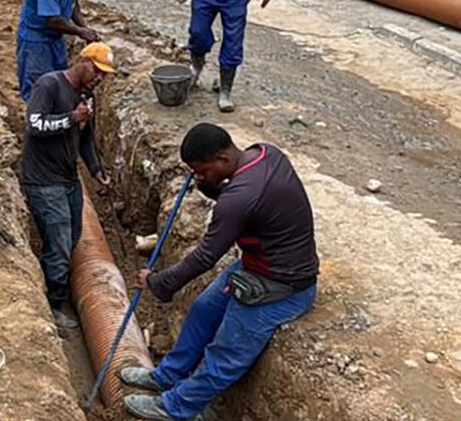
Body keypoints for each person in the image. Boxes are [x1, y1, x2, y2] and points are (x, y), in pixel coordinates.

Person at [118, 124, 318, 421]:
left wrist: (159, 283)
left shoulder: (238, 198)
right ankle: (168, 376)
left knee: (225, 353)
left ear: (223, 160)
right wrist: (207, 183)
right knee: (202, 310)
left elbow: (205, 256)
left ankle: (177, 407)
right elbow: (243, 199)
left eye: (201, 170)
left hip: (281, 286)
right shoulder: (264, 154)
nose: (197, 176)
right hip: (258, 264)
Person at [22, 43, 116, 331]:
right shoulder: (49, 85)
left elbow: (85, 137)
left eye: (104, 75)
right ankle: (53, 307)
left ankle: (59, 286)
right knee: (60, 245)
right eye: (97, 71)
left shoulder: (87, 95)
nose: (100, 78)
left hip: (69, 178)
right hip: (43, 181)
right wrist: (72, 117)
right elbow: (34, 125)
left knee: (72, 237)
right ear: (83, 61)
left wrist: (96, 169)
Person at [16, 0, 100, 101]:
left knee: (59, 80)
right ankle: (37, 121)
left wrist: (86, 29)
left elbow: (74, 5)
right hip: (36, 38)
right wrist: (80, 31)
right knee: (38, 84)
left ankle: (56, 115)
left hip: (55, 37)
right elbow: (52, 20)